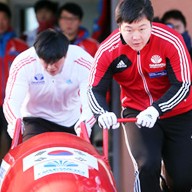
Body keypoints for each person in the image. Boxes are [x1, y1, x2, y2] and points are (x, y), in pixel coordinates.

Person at [87, 0, 192, 192]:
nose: (136, 37)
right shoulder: (107, 50)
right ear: (119, 27)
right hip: (137, 113)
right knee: (147, 165)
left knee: (183, 179)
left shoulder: (172, 40)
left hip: (178, 113)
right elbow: (95, 89)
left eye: (142, 28)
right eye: (129, 30)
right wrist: (101, 113)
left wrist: (156, 110)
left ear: (151, 23)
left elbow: (183, 85)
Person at [3, 29, 95, 142]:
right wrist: (15, 123)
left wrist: (85, 122)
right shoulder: (23, 62)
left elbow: (91, 99)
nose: (51, 67)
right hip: (34, 120)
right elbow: (12, 100)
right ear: (37, 55)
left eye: (56, 61)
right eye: (46, 61)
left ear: (65, 55)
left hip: (71, 122)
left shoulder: (83, 61)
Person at [0, 2, 28, 162]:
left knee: (16, 140)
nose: (0, 22)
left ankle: (14, 176)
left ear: (9, 21)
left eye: (4, 19)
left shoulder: (20, 46)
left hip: (14, 103)